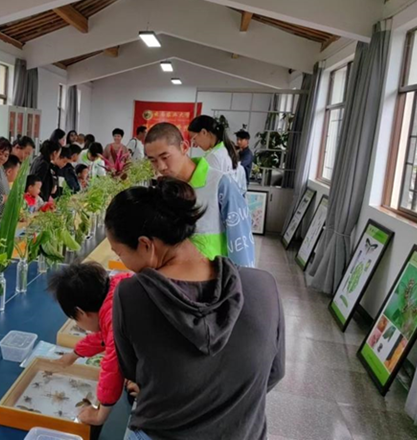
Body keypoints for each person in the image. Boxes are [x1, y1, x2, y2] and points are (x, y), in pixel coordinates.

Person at [105, 181, 284, 439]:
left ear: (145, 245)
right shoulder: (263, 285)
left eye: (120, 253)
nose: (122, 262)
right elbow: (275, 371)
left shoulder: (131, 295)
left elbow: (134, 372)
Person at [145, 123, 255, 267]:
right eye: (153, 160)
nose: (160, 166)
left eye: (165, 157)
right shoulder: (164, 189)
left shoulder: (219, 184)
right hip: (174, 275)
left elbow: (241, 241)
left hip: (214, 276)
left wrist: (240, 278)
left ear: (184, 147)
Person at [48, 263, 131, 426]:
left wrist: (100, 415)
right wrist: (74, 354)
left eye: (75, 319)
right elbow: (103, 336)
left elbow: (112, 367)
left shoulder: (116, 319)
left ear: (80, 312)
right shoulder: (116, 289)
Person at [188, 115, 247, 196]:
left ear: (204, 132)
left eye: (194, 138)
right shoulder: (224, 150)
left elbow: (210, 190)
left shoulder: (214, 156)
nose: (195, 144)